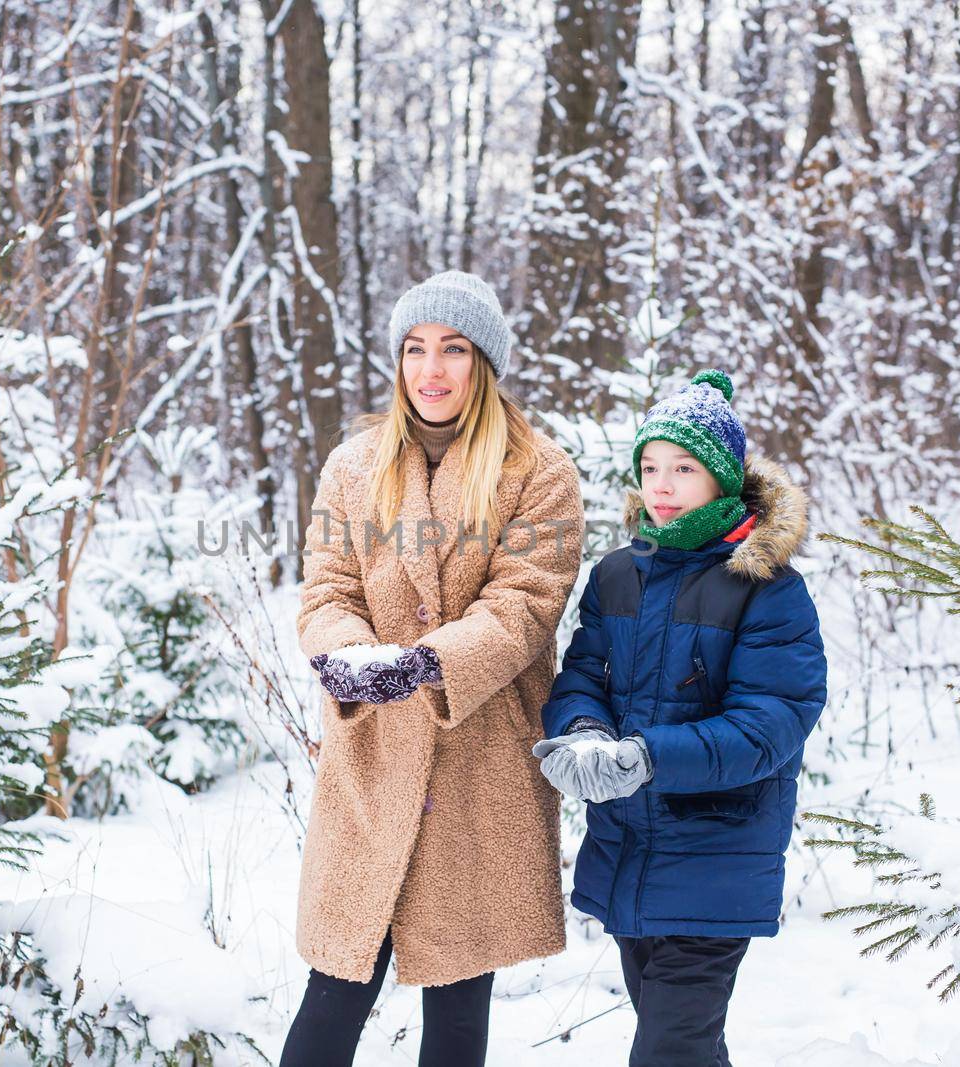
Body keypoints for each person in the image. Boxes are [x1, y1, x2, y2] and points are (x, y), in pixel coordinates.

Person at [280, 270, 584, 1067]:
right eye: (416, 349)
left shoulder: (539, 471)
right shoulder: (355, 466)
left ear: (483, 362)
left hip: (478, 758)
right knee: (333, 992)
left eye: (452, 348)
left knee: (456, 1001)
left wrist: (428, 663)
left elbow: (525, 603)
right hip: (375, 762)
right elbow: (327, 590)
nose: (432, 368)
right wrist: (349, 658)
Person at [533, 369, 828, 1067]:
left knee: (668, 1050)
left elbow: (769, 725)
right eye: (651, 466)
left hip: (716, 855)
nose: (660, 485)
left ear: (723, 479)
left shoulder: (766, 587)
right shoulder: (617, 574)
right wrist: (583, 729)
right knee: (688, 1046)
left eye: (683, 468)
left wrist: (646, 755)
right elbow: (583, 674)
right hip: (631, 848)